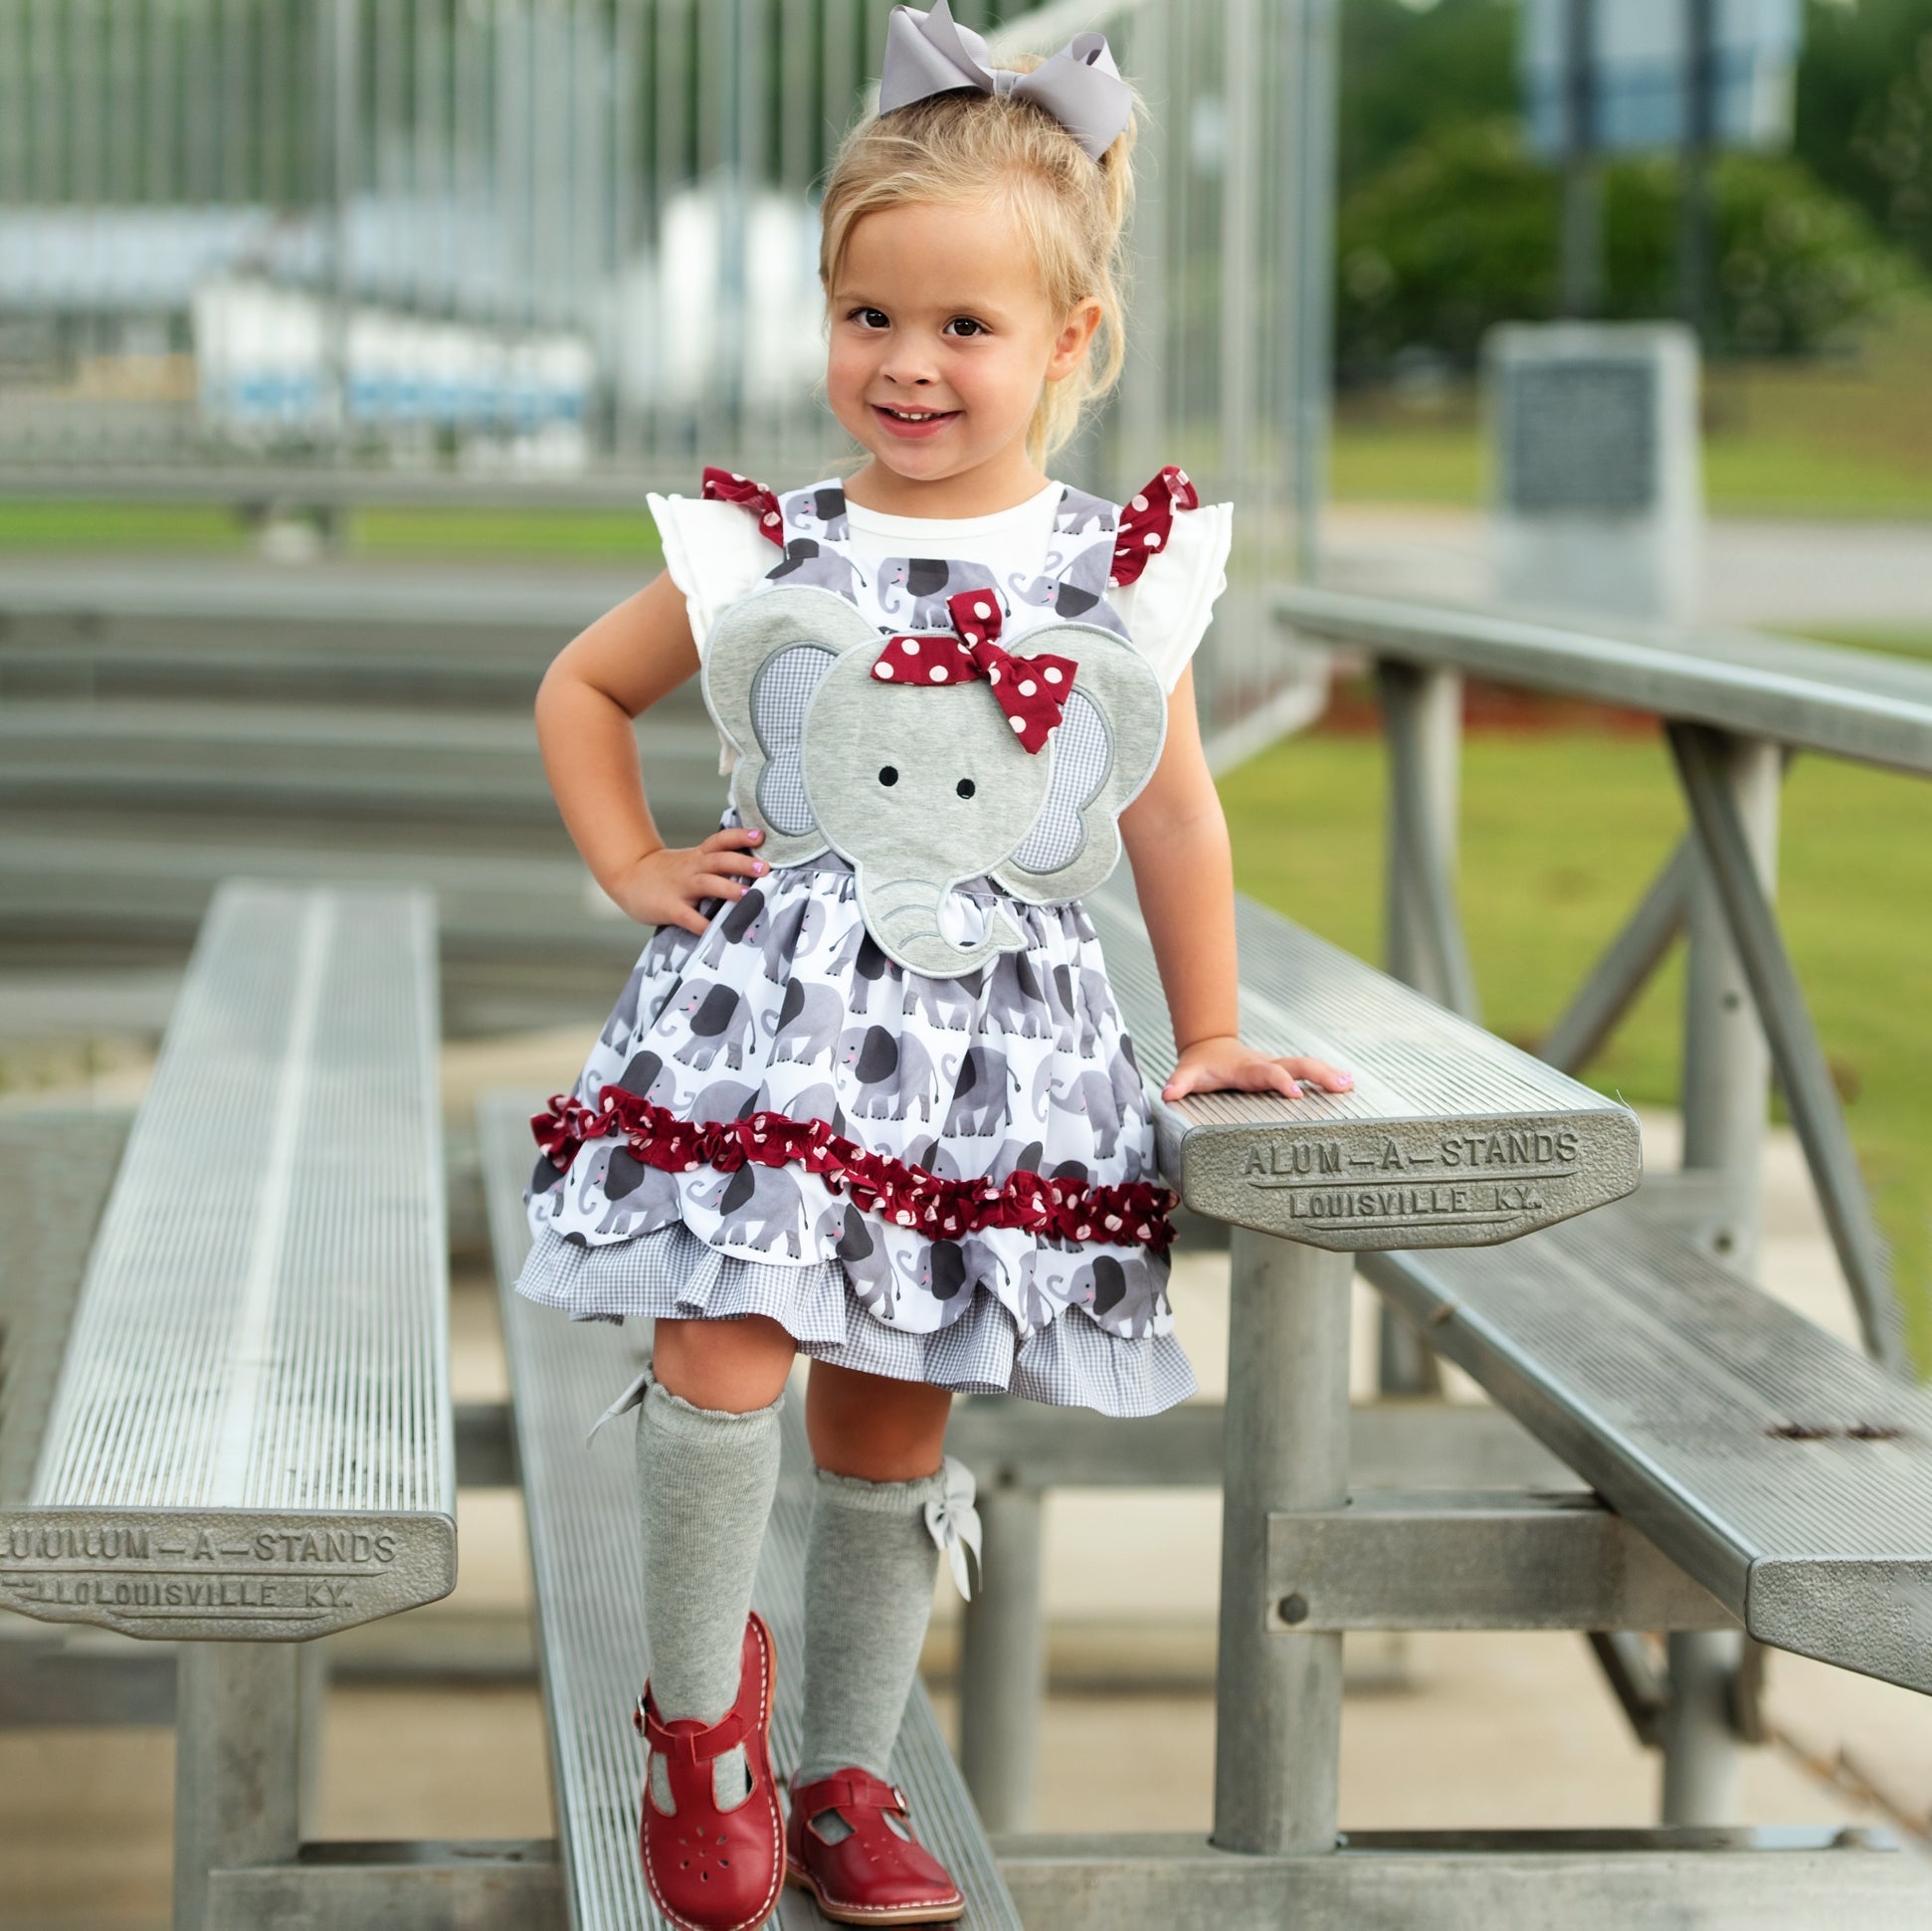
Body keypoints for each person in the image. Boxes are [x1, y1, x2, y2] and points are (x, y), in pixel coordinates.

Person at [516, 6, 1352, 1926]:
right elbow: (579, 685)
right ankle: (700, 1728)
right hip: (762, 1029)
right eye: (866, 317)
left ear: (1068, 342)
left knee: (889, 1404)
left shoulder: (1105, 573)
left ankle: (844, 1773)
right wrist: (632, 854)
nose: (904, 365)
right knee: (718, 1344)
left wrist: (1208, 1027)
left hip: (985, 1054)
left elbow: (1167, 814)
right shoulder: (767, 547)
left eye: (963, 328)